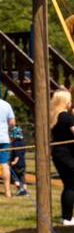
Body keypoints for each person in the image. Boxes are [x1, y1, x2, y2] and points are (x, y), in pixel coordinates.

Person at [50, 89, 74, 225]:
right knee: (71, 186)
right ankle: (67, 218)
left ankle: (67, 216)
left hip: (58, 154)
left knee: (68, 186)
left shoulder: (55, 116)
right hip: (67, 156)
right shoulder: (66, 116)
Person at [9, 119, 28, 197]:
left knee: (15, 178)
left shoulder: (15, 144)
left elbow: (17, 154)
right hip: (23, 164)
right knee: (22, 177)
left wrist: (14, 162)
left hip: (16, 164)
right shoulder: (22, 143)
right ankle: (24, 190)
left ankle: (20, 189)